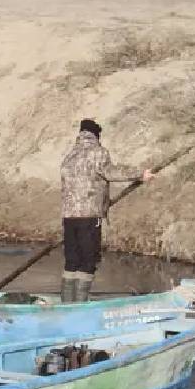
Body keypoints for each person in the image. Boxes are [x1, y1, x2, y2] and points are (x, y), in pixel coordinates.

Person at [59, 119, 153, 303]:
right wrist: (140, 174)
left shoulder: (69, 155)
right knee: (88, 261)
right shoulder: (98, 153)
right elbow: (111, 172)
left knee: (72, 261)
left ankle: (67, 304)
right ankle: (80, 305)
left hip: (69, 217)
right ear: (96, 135)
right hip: (90, 216)